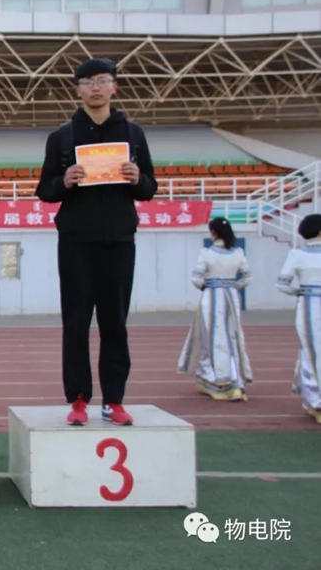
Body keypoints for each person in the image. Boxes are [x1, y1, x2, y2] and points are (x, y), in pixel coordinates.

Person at [35, 57, 157, 427]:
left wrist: (137, 178)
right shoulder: (62, 136)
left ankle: (114, 400)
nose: (96, 88)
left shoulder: (132, 134)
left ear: (114, 86)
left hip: (119, 239)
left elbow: (149, 188)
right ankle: (78, 399)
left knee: (114, 323)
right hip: (76, 241)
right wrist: (64, 181)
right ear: (78, 89)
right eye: (88, 82)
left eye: (103, 81)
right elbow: (45, 191)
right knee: (76, 322)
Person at [177, 217, 253, 401]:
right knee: (231, 337)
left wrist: (207, 286)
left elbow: (196, 279)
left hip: (211, 297)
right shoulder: (238, 253)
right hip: (231, 297)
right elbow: (247, 278)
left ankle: (217, 379)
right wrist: (233, 286)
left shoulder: (206, 253)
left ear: (213, 233)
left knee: (212, 338)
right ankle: (232, 378)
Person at [276, 213, 321, 423]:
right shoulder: (297, 253)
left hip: (308, 304)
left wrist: (300, 292)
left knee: (311, 351)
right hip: (309, 303)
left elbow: (282, 284)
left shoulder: (297, 254)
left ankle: (315, 399)